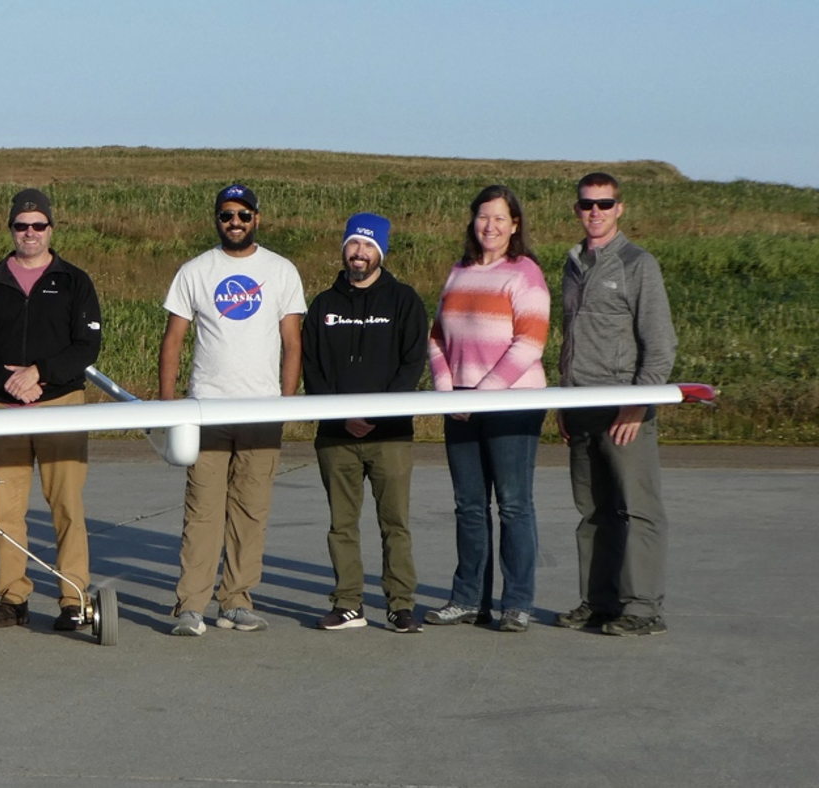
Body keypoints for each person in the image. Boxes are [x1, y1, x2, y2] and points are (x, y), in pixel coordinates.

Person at [158, 184, 306, 636]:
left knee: (250, 510)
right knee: (202, 511)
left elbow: (293, 343)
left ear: (257, 218)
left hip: (261, 413)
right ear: (217, 220)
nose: (235, 222)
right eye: (226, 215)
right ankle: (191, 605)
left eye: (243, 214)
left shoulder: (281, 271)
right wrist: (169, 408)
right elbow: (174, 340)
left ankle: (237, 600)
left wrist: (283, 401)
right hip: (206, 411)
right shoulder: (195, 271)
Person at [0, 188, 104, 631]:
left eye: (38, 226)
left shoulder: (75, 281)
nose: (30, 233)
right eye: (22, 226)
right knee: (4, 509)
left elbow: (88, 344)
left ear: (50, 229)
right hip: (2, 407)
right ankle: (12, 597)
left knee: (65, 503)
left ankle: (73, 597)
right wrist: (8, 381)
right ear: (11, 229)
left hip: (60, 404)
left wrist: (40, 374)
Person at [424, 185, 551, 633]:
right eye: (483, 217)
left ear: (514, 224)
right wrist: (447, 388)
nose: (490, 226)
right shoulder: (459, 272)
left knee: (514, 505)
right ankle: (468, 599)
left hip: (512, 404)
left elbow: (530, 342)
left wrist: (482, 394)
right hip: (460, 404)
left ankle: (516, 603)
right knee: (469, 506)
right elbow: (436, 336)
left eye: (499, 218)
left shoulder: (525, 273)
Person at [557, 172, 678, 636]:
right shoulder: (571, 264)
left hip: (624, 410)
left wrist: (637, 406)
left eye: (604, 204)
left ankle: (643, 607)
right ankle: (600, 601)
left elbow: (661, 345)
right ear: (577, 208)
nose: (595, 212)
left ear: (619, 208)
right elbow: (570, 341)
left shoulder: (637, 264)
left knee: (638, 509)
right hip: (580, 405)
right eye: (587, 204)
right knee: (593, 511)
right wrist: (564, 401)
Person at [300, 213, 429, 633]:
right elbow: (312, 368)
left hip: (390, 435)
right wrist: (343, 416)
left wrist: (375, 415)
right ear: (344, 249)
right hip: (336, 436)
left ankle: (400, 604)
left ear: (381, 252)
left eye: (369, 246)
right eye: (354, 244)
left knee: (395, 524)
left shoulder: (405, 301)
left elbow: (412, 365)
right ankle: (348, 603)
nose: (360, 252)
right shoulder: (323, 304)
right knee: (342, 525)